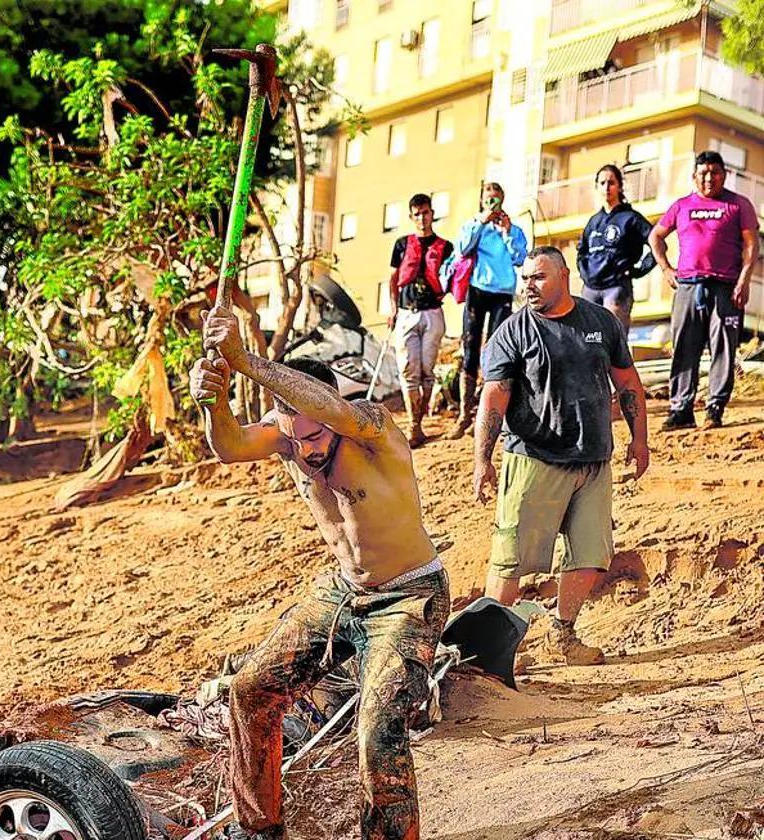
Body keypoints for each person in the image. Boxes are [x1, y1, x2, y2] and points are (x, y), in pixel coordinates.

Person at [189, 309, 449, 840]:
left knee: (377, 732)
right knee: (250, 691)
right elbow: (230, 446)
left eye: (316, 436)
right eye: (295, 437)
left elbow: (326, 405)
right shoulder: (287, 439)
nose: (307, 449)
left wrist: (244, 360)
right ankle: (260, 828)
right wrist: (213, 402)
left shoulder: (371, 427)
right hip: (344, 591)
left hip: (410, 593)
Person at [473, 247, 649, 666]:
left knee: (590, 554)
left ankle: (562, 633)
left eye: (538, 278)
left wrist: (639, 440)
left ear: (564, 276)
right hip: (535, 457)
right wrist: (482, 460)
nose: (528, 286)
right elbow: (493, 401)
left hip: (593, 461)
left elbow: (627, 382)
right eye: (525, 279)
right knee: (511, 559)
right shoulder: (513, 332)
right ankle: (487, 654)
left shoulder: (600, 322)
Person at [648, 150, 760, 431]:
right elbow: (655, 236)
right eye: (703, 173)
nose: (709, 178)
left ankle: (715, 408)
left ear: (724, 175)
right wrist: (665, 268)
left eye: (715, 173)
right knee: (685, 347)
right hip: (688, 285)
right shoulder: (682, 205)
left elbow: (751, 244)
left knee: (723, 348)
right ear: (694, 177)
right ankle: (680, 410)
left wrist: (744, 280)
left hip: (726, 287)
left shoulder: (738, 205)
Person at [450, 182, 528, 439]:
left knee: (495, 352)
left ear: (503, 200)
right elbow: (462, 248)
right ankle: (464, 413)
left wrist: (506, 232)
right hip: (477, 290)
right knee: (470, 348)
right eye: (488, 199)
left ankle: (484, 412)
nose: (492, 203)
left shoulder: (513, 229)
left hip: (502, 293)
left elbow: (520, 258)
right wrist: (482, 221)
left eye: (497, 199)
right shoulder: (474, 225)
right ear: (483, 201)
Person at [388, 193, 453, 448]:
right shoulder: (402, 244)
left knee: (427, 370)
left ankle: (419, 422)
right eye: (417, 214)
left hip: (433, 312)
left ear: (432, 213)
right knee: (408, 370)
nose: (422, 218)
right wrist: (392, 309)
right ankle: (414, 425)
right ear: (411, 217)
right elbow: (393, 279)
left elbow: (451, 278)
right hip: (406, 312)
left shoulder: (445, 246)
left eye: (425, 212)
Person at [577, 164, 657, 334]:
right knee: (588, 341)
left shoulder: (631, 218)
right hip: (590, 289)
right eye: (602, 183)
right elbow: (581, 252)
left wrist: (638, 271)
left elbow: (657, 243)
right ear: (597, 187)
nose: (607, 187)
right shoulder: (593, 221)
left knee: (613, 338)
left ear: (619, 186)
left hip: (616, 288)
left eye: (611, 183)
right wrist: (585, 273)